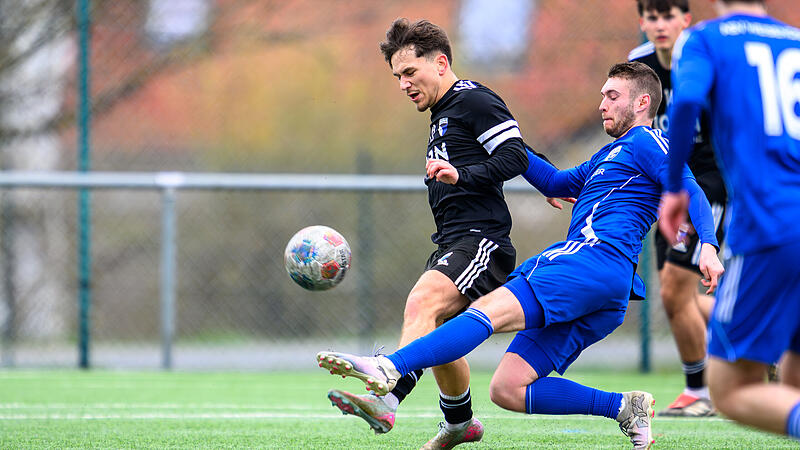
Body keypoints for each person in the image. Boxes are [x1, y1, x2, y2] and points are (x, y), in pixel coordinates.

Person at [318, 61, 725, 450]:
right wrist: (499, 135)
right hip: (606, 288)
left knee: (484, 312)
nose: (601, 104)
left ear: (641, 104)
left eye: (612, 96)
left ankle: (390, 368)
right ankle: (623, 407)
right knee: (508, 389)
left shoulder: (647, 141)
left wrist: (708, 243)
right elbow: (555, 180)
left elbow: (690, 187)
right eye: (602, 95)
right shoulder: (608, 156)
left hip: (589, 260)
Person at [324, 18, 563, 449]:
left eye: (410, 73)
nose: (403, 85)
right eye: (397, 77)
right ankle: (460, 423)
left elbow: (510, 153)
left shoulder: (473, 99)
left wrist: (463, 174)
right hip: (453, 239)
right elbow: (520, 150)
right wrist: (548, 180)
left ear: (440, 62)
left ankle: (389, 396)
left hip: (482, 239)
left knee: (421, 302)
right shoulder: (444, 112)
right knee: (439, 335)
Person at [659, 0, 800, 441]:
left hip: (771, 223)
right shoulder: (795, 40)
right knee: (792, 383)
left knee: (731, 389)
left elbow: (685, 106)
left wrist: (675, 187)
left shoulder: (705, 39)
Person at [629, 0, 726, 417]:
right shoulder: (639, 65)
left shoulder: (703, 58)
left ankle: (699, 391)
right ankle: (750, 333)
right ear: (642, 23)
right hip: (666, 189)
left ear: (686, 20)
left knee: (672, 288)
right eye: (652, 17)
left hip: (707, 184)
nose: (660, 24)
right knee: (679, 296)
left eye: (669, 16)